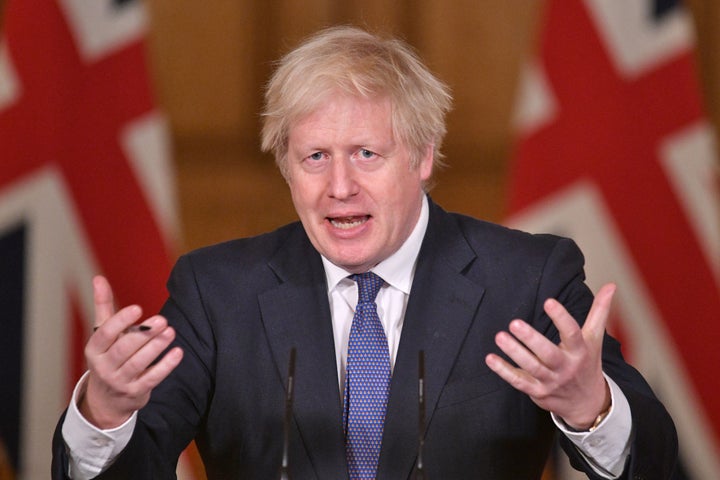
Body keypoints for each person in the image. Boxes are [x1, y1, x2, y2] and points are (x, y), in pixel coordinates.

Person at [52, 26, 677, 479]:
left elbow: (657, 464)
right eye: (315, 157)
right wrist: (103, 414)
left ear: (423, 156)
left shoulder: (527, 278)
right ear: (287, 168)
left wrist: (591, 409)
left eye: (367, 154)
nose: (340, 187)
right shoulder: (216, 291)